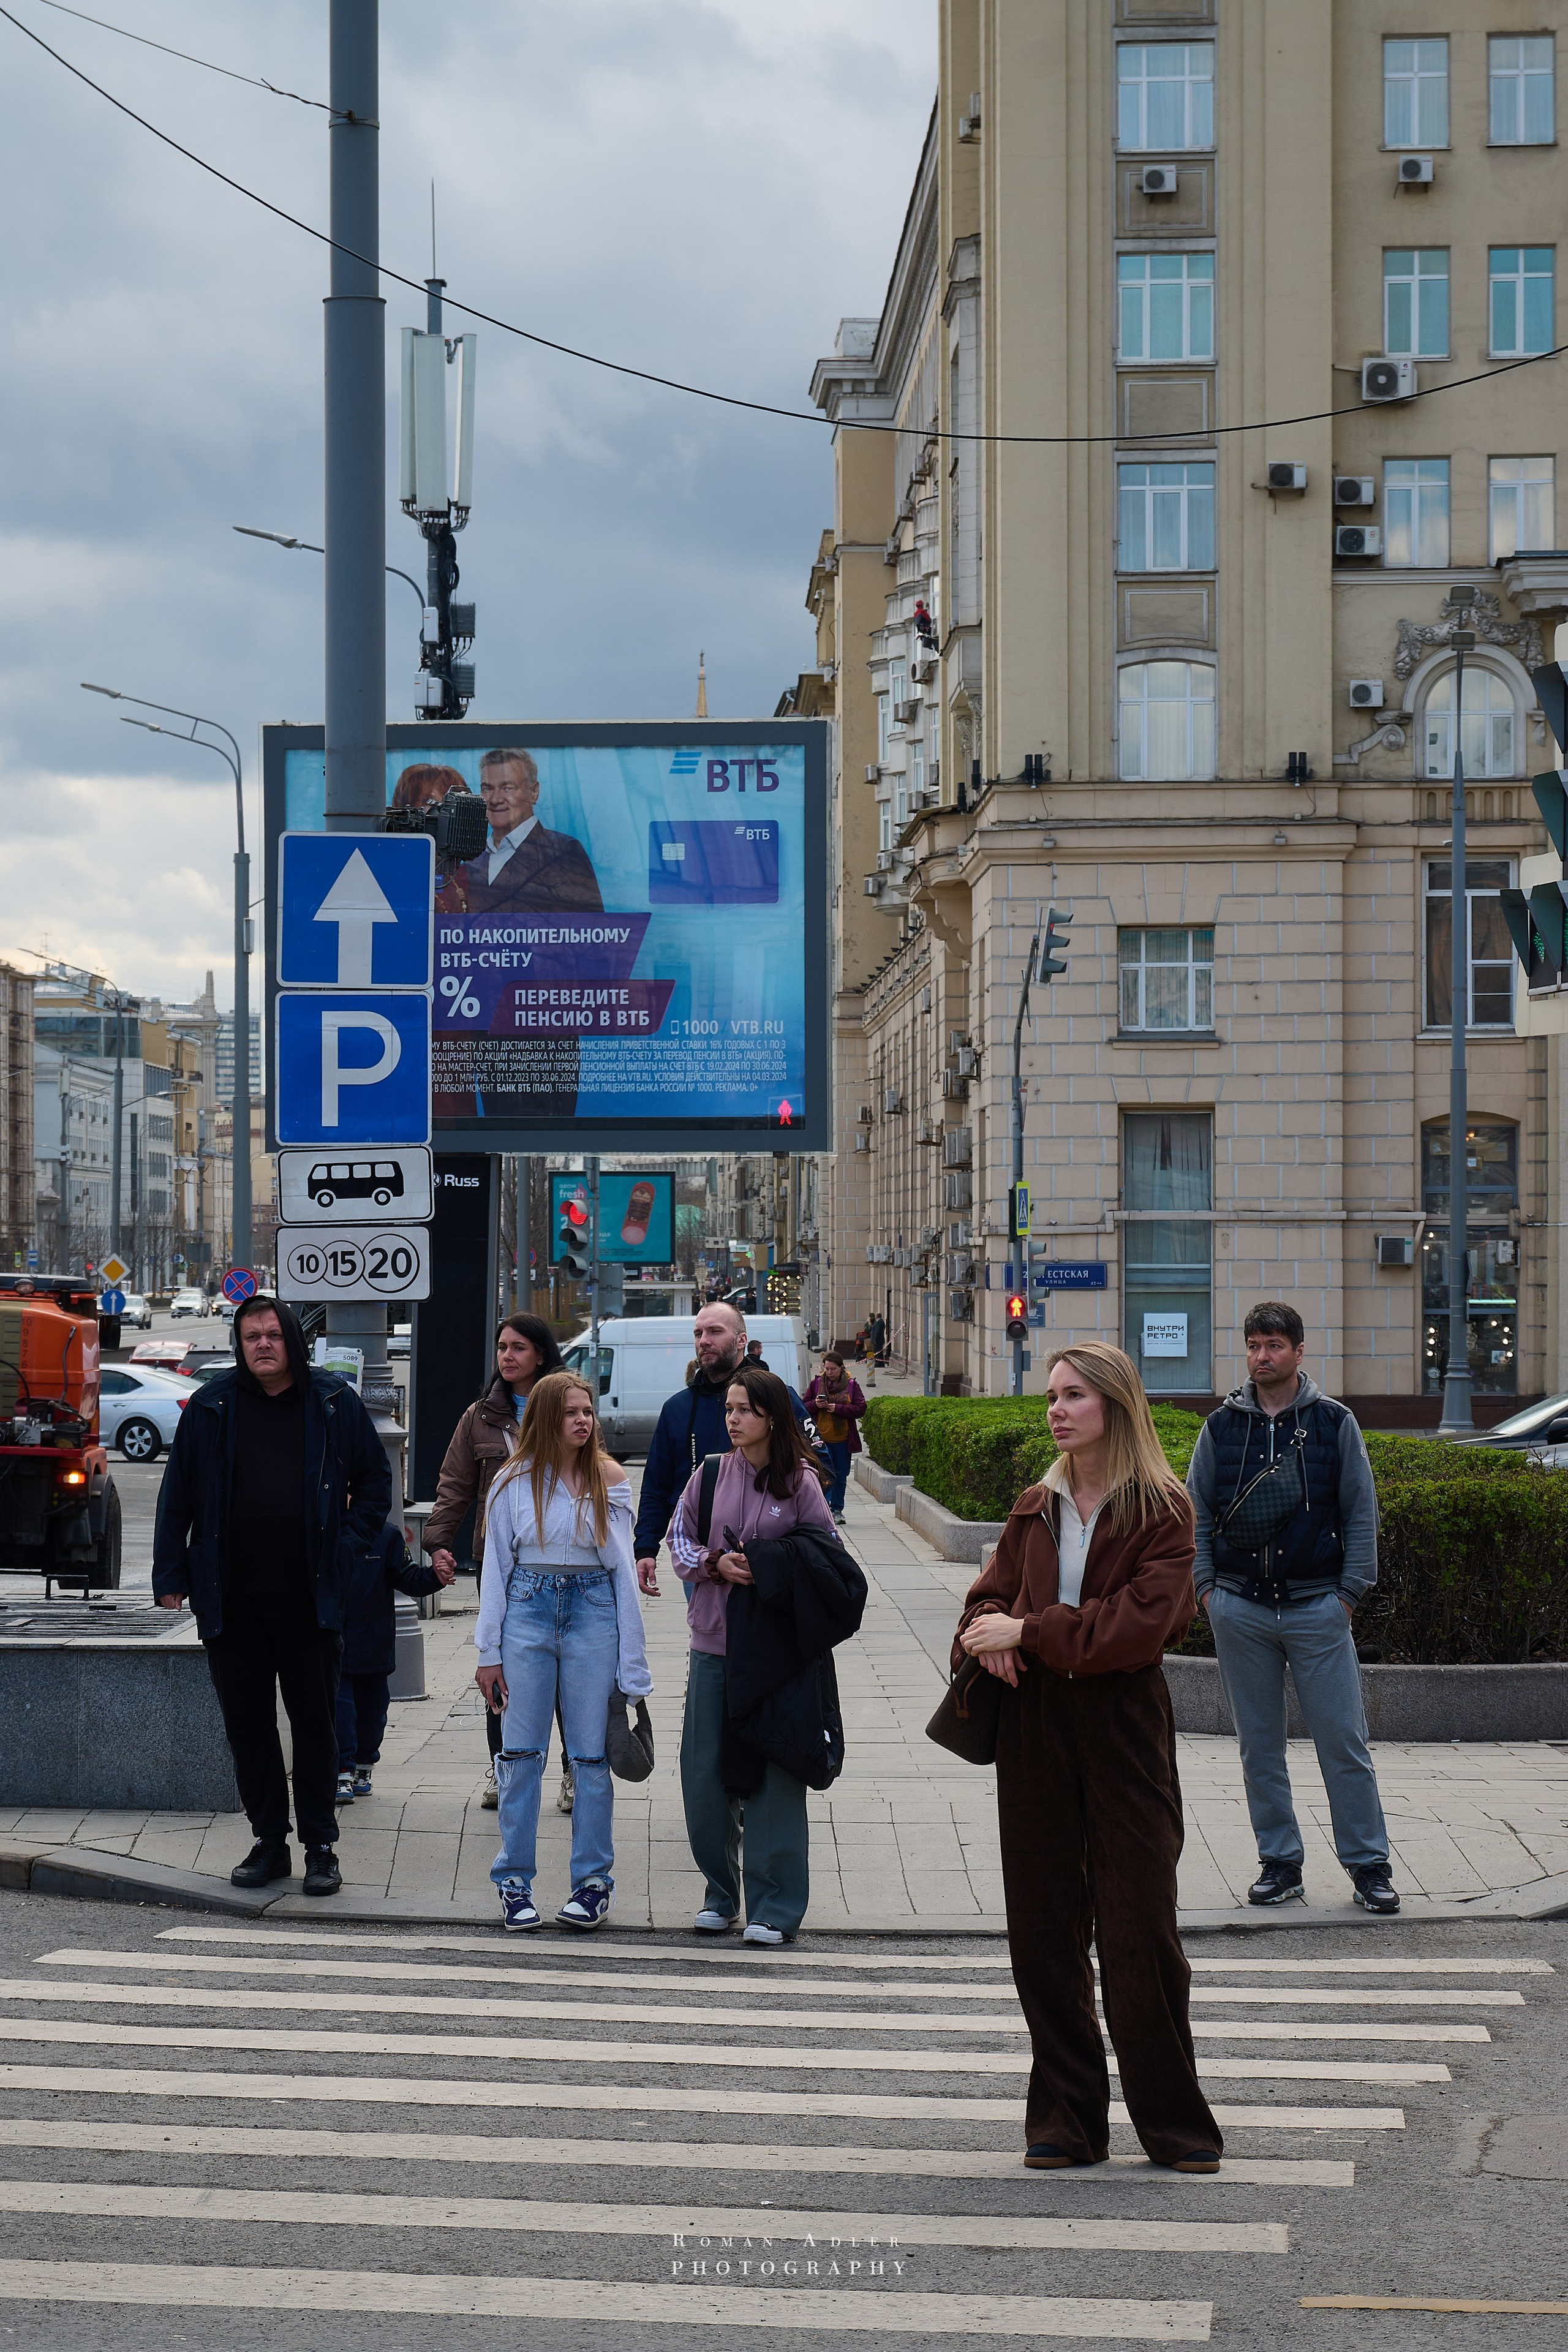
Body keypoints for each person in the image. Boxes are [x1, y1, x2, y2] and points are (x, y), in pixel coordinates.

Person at [956, 1341, 1223, 2175]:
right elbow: (987, 1598)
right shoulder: (1037, 1502)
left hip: (1122, 1728)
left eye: (1074, 1396)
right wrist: (989, 1636)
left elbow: (1142, 1625)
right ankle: (1067, 2120)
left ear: (1115, 1405)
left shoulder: (1164, 1510)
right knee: (1042, 1931)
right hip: (1034, 1723)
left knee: (1140, 1930)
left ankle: (1176, 2126)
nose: (1057, 1410)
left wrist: (1028, 1632)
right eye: (1051, 1397)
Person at [153, 1294, 390, 1898]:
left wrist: (347, 1547)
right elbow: (176, 1495)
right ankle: (269, 1842)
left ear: (293, 1341)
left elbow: (374, 1483)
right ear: (240, 1344)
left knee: (314, 1727)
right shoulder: (212, 1407)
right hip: (231, 1602)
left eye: (272, 1335)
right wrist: (170, 1576)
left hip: (310, 1602)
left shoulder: (333, 1402)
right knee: (249, 1728)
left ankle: (320, 1848)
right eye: (251, 1335)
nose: (262, 1344)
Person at [1185, 1301, 1397, 1915]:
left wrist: (1348, 1593)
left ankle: (1369, 1867)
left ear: (1299, 1352)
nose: (1261, 1356)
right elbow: (1196, 1508)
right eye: (1253, 1345)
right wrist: (1207, 1590)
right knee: (1259, 1746)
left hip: (1316, 1608)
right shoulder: (1222, 1427)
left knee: (1343, 1742)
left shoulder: (1333, 1423)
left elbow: (1361, 1510)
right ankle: (1280, 1864)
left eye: (1274, 1345)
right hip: (1239, 1608)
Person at [475, 1369, 651, 1931]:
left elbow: (623, 1572)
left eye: (588, 1411)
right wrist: (487, 1653)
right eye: (571, 1412)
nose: (583, 1420)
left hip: (593, 1612)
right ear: (547, 1418)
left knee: (591, 1757)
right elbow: (496, 1570)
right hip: (526, 1609)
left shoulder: (609, 1477)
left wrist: (634, 1667)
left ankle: (593, 1883)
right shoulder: (511, 1481)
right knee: (521, 1755)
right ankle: (514, 1883)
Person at [669, 1364, 839, 1942]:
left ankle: (775, 1908)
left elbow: (831, 1562)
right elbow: (678, 1541)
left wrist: (770, 1565)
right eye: (729, 1410)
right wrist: (714, 1564)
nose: (734, 1420)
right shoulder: (710, 1474)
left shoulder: (803, 1485)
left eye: (745, 1410)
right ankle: (721, 1894)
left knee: (776, 1778)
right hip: (713, 1646)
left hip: (779, 1655)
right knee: (704, 1776)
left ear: (772, 1418)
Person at [423, 1314, 565, 1811]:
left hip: (562, 1560)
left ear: (541, 1354)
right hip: (497, 1561)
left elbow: (596, 1476)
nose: (507, 1356)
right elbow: (454, 1485)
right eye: (502, 1347)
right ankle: (504, 1765)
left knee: (567, 1667)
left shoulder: (569, 1407)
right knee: (497, 1662)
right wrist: (438, 1541)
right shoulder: (480, 1416)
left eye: (519, 1348)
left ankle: (571, 1771)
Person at [633, 1302, 808, 1598]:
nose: (704, 1341)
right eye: (698, 1333)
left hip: (772, 1557)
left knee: (770, 1644)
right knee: (710, 1640)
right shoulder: (677, 1409)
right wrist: (646, 1547)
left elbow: (818, 1469)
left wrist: (784, 1537)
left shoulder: (780, 1398)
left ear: (742, 1340)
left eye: (715, 1331)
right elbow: (656, 1486)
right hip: (704, 1559)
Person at [336, 1520, 454, 1805]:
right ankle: (341, 1771)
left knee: (373, 1714)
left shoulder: (385, 1534)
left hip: (373, 1646)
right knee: (341, 1711)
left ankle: (364, 1766)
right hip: (333, 1647)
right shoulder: (321, 1526)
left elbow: (407, 1576)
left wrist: (435, 1578)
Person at [453, 747, 603, 915]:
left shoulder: (563, 852)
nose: (495, 800)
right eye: (488, 789)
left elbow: (590, 931)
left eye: (507, 788)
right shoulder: (471, 862)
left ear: (534, 792)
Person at [803, 1351, 867, 1522]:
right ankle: (823, 1508)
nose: (829, 1373)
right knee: (822, 1475)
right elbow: (803, 1407)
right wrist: (816, 1404)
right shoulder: (817, 1384)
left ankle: (837, 1510)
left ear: (841, 1368)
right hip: (820, 1440)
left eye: (833, 1369)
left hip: (842, 1440)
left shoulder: (852, 1385)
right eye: (827, 1369)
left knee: (840, 1476)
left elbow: (861, 1408)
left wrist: (838, 1409)